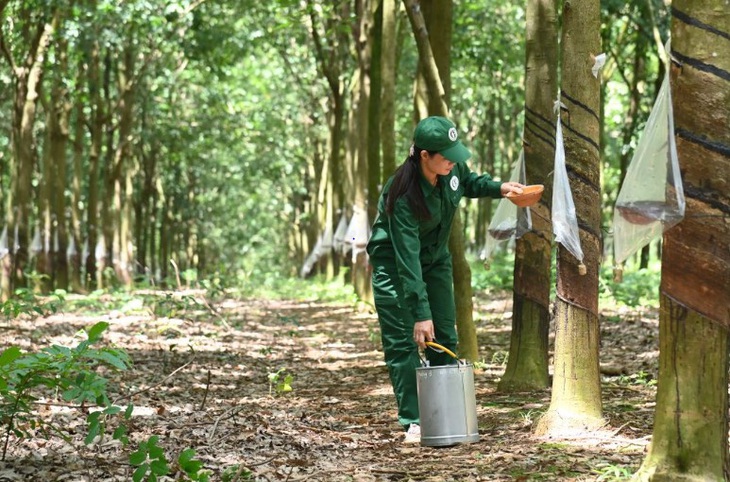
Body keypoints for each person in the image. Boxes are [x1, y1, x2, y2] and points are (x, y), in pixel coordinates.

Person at [366, 116, 524, 444]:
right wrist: (420, 314)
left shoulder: (451, 172)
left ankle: (446, 415)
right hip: (395, 268)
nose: (454, 160)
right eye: (446, 155)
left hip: (436, 261)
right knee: (403, 343)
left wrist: (502, 189)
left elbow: (470, 182)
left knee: (445, 336)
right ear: (424, 155)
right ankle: (415, 420)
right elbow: (406, 259)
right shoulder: (403, 194)